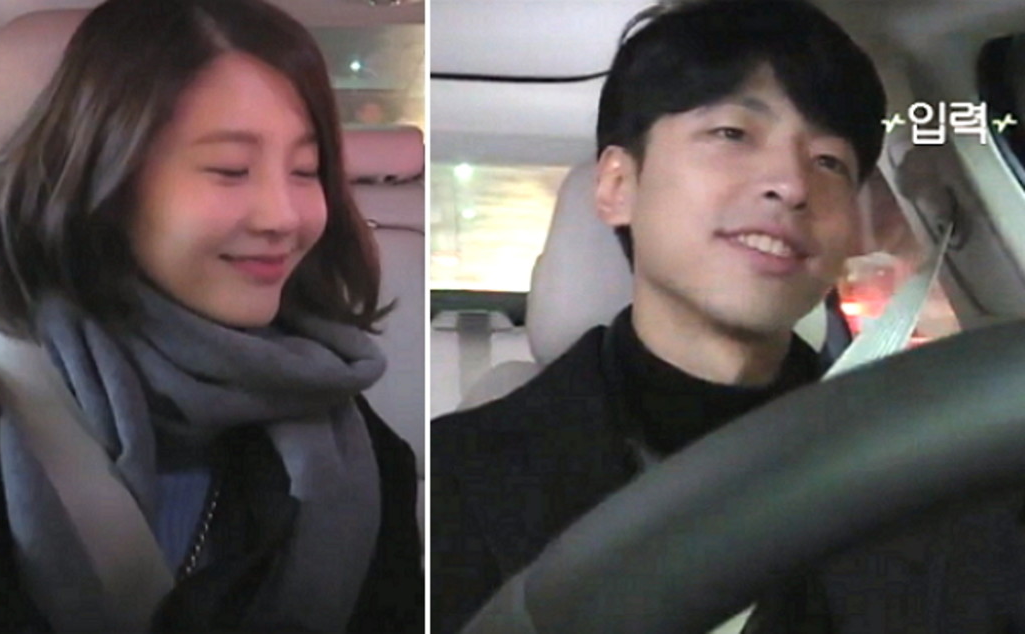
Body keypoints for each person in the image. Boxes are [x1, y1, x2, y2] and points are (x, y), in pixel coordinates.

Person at [431, 0, 1022, 631]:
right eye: (733, 134)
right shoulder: (455, 477)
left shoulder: (936, 478)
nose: (791, 184)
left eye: (829, 161)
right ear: (617, 186)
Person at [0, 0, 423, 631]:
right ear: (106, 178)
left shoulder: (359, 445)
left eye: (306, 171)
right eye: (231, 170)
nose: (283, 216)